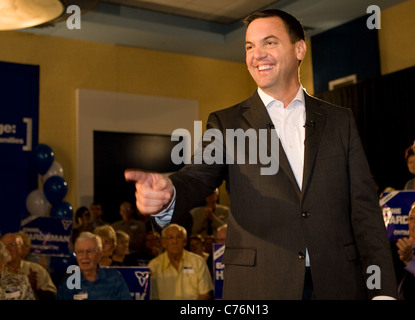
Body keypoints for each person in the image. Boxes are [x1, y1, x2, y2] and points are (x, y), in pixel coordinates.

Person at [125, 9, 398, 300]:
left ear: (299, 49)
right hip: (259, 287)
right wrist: (168, 195)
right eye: (249, 46)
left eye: (269, 43)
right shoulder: (227, 123)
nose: (257, 55)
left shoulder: (339, 120)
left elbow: (365, 211)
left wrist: (382, 292)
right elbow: (197, 176)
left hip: (339, 284)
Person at [57, 231, 132, 300]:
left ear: (99, 254)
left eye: (89, 252)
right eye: (80, 252)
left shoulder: (114, 278)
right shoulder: (68, 284)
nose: (85, 257)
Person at [148, 224, 213, 300]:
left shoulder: (198, 262)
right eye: (170, 238)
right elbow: (152, 297)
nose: (175, 241)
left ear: (185, 241)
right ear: (163, 243)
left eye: (179, 237)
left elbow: (205, 295)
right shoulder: (154, 265)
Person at [0, 233, 57, 299]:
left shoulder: (36, 269)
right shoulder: (2, 272)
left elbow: (53, 296)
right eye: (3, 245)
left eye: (12, 244)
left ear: (23, 247)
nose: (7, 248)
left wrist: (36, 289)